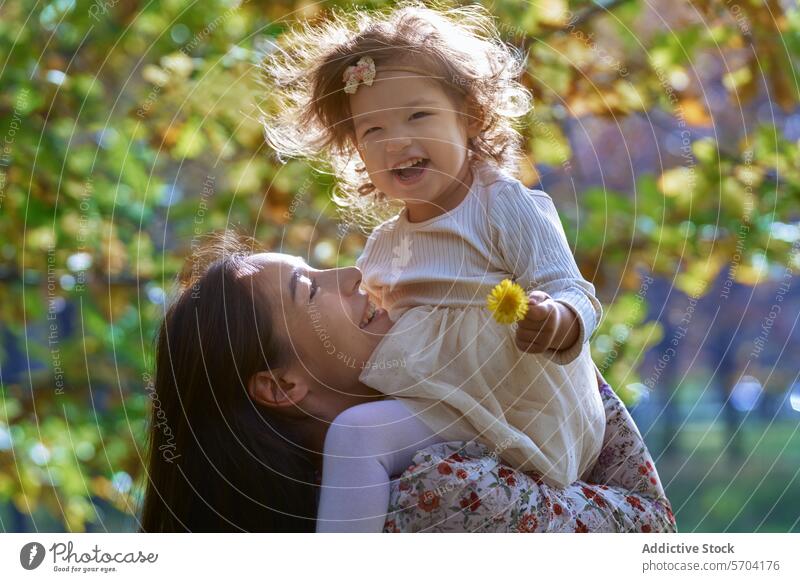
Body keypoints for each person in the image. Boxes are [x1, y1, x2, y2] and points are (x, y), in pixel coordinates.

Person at [262, 3, 606, 532]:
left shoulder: (501, 204)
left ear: (469, 117)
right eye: (372, 130)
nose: (396, 140)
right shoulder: (384, 247)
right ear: (356, 150)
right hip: (453, 409)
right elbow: (367, 340)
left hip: (522, 410)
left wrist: (558, 320)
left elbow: (570, 287)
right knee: (355, 434)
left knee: (357, 437)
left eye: (418, 116)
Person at [140, 244, 675, 533]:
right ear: (281, 385)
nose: (350, 274)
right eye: (308, 289)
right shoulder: (436, 495)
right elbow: (651, 534)